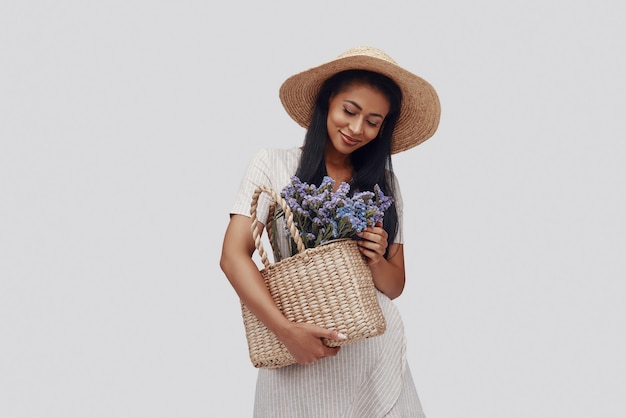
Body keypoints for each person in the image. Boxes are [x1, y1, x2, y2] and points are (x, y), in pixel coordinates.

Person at [220, 46, 440, 418]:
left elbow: (395, 285)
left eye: (373, 121)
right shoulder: (273, 164)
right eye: (349, 111)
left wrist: (375, 257)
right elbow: (232, 256)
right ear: (327, 103)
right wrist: (286, 332)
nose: (357, 129)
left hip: (374, 358)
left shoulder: (385, 184)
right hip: (295, 357)